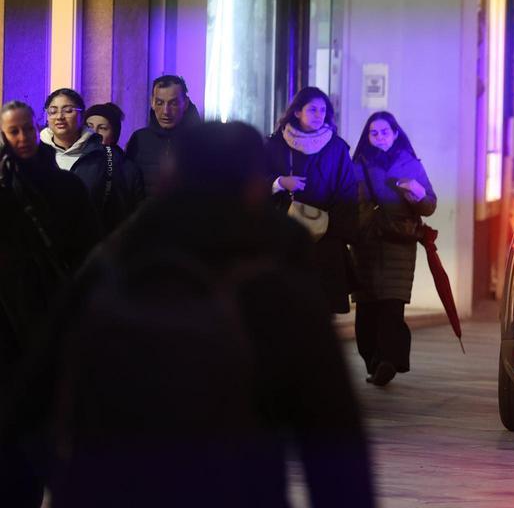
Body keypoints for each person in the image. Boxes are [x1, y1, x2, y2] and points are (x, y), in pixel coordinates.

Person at [0, 121, 375, 508]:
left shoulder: (116, 260)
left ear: (169, 178)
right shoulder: (277, 276)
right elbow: (332, 432)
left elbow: (34, 397)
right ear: (252, 185)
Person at [0, 101, 101, 387]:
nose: (23, 138)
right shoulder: (4, 188)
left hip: (55, 294)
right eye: (13, 131)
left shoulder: (66, 185)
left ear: (37, 128)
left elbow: (88, 241)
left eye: (28, 129)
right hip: (10, 302)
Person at [350, 111, 437, 387]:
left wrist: (418, 193)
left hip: (399, 243)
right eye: (373, 133)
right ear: (367, 136)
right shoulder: (358, 164)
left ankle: (389, 360)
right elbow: (347, 200)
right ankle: (374, 361)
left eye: (384, 132)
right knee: (366, 308)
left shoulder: (409, 164)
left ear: (396, 133)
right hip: (366, 243)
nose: (379, 137)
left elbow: (430, 205)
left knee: (391, 306)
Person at [265, 87, 359, 314]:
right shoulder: (276, 145)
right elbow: (256, 180)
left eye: (323, 110)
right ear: (297, 112)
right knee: (287, 307)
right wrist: (279, 182)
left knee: (322, 308)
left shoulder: (336, 148)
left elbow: (347, 191)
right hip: (285, 234)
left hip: (325, 238)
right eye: (313, 109)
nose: (319, 115)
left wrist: (332, 227)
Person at [40, 89, 144, 234]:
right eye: (52, 111)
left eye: (68, 110)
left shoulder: (104, 156)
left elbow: (121, 210)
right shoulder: (35, 154)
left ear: (81, 116)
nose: (59, 117)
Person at [126, 75, 201, 195]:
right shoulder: (139, 140)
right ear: (152, 103)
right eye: (160, 103)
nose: (166, 111)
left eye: (174, 103)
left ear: (185, 104)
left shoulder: (201, 142)